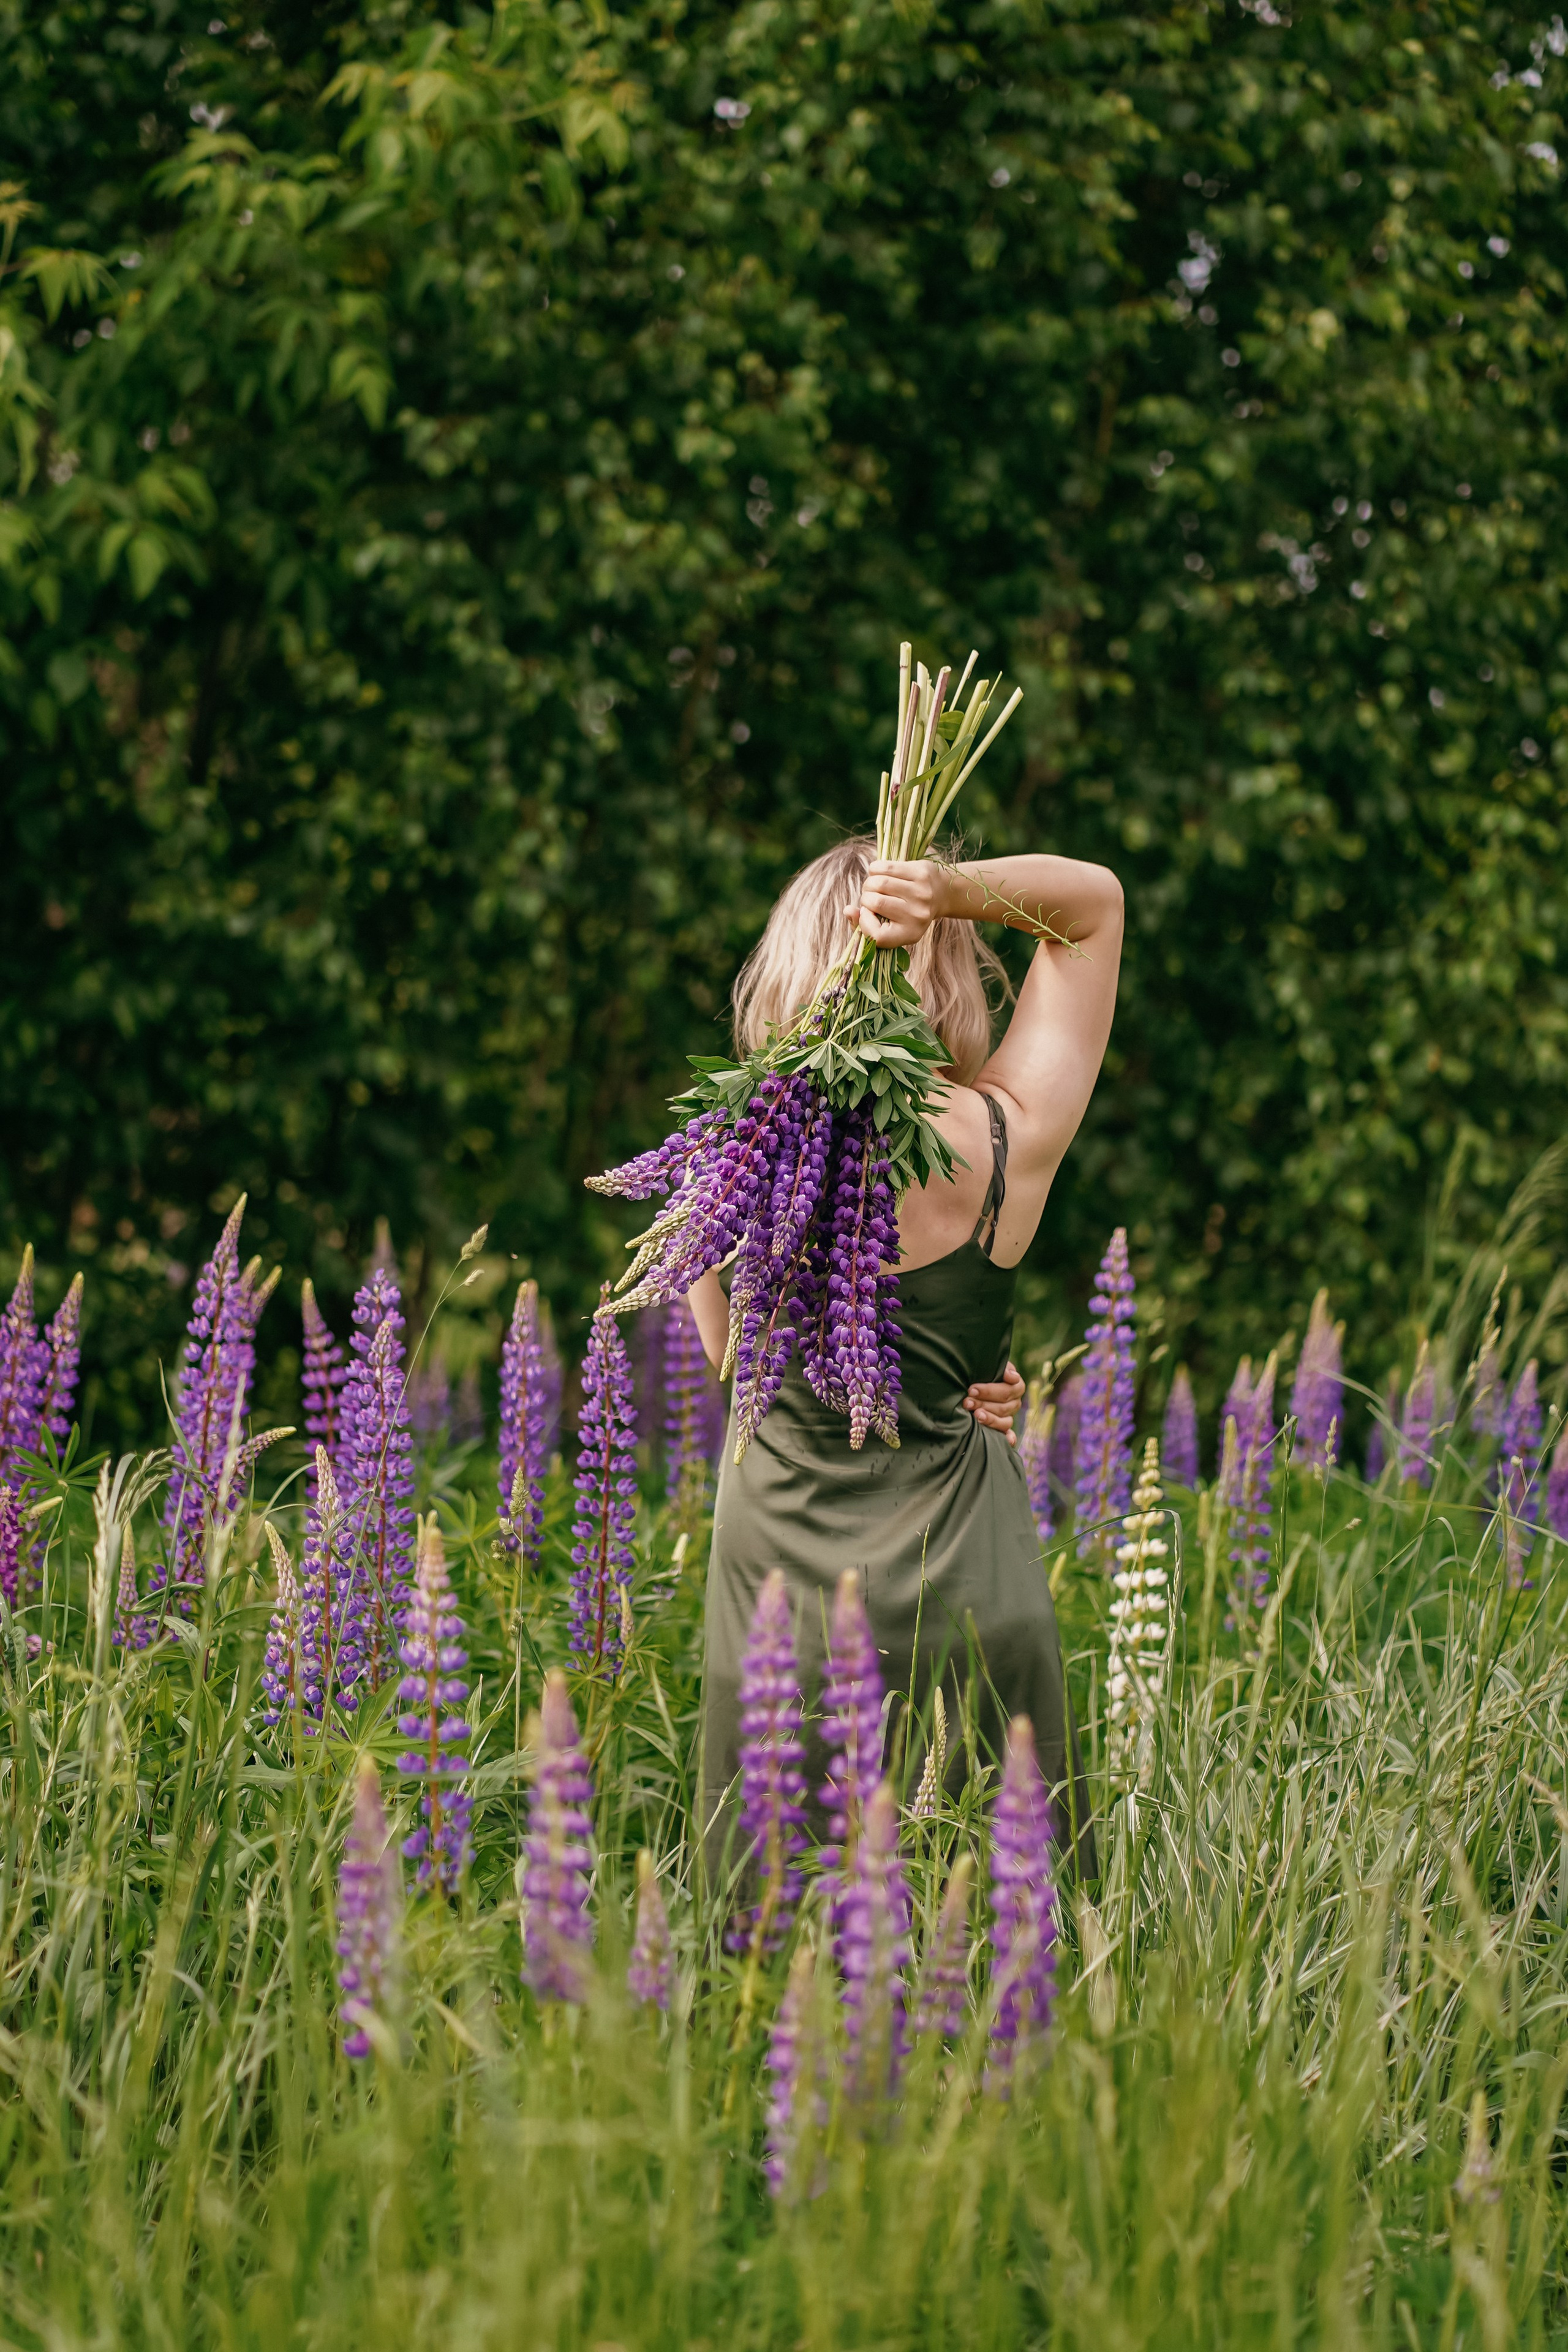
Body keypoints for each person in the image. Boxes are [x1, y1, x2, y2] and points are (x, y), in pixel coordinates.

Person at [688, 835, 1124, 1880]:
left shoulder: (727, 1164)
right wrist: (951, 892)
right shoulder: (1004, 1136)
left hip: (779, 1622)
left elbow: (736, 1367)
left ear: (795, 963)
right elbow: (1095, 907)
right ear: (945, 968)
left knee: (771, 1978)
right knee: (994, 1963)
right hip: (973, 1595)